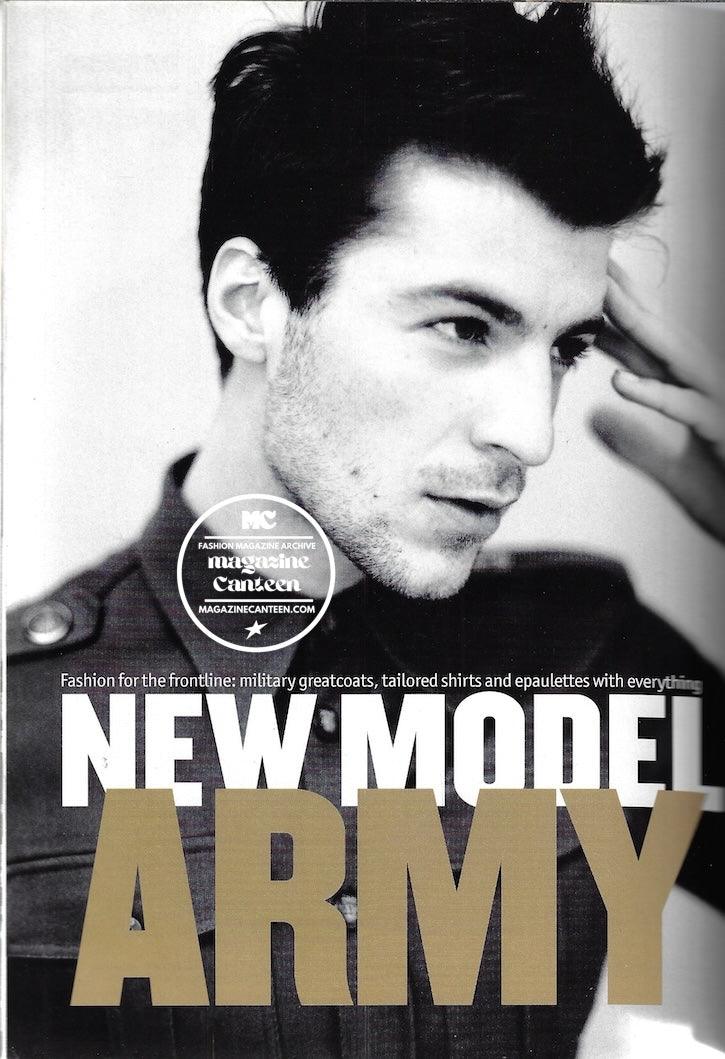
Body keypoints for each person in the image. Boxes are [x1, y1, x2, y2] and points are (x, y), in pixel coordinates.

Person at [6, 4, 724, 1056]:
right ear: (252, 302)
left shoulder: (590, 663)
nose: (529, 435)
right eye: (462, 326)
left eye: (562, 349)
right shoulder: (22, 726)